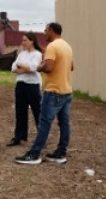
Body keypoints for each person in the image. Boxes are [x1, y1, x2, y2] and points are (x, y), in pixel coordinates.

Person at [15, 22, 74, 165]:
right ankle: (61, 152)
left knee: (44, 122)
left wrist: (38, 66)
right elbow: (72, 66)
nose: (44, 32)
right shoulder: (67, 46)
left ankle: (34, 154)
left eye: (46, 30)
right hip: (66, 90)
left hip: (53, 91)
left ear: (52, 31)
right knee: (64, 123)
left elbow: (48, 67)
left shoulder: (52, 47)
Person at [7, 32, 43, 147]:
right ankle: (20, 136)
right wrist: (24, 67)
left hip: (32, 85)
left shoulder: (37, 54)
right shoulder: (21, 54)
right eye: (22, 40)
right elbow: (13, 67)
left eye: (25, 40)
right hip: (21, 85)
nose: (23, 42)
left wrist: (21, 66)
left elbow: (33, 67)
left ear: (32, 41)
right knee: (20, 111)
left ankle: (42, 136)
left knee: (37, 111)